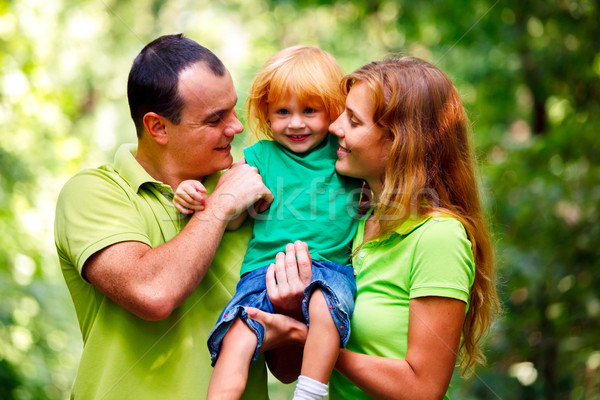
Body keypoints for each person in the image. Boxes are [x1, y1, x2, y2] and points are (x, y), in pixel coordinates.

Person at [248, 56, 500, 399]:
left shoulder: (438, 237)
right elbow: (288, 370)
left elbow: (423, 388)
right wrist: (293, 311)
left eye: (352, 120)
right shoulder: (356, 224)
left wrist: (319, 345)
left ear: (398, 140)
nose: (335, 127)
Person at [53, 34, 275, 399]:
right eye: (215, 119)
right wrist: (220, 205)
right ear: (157, 127)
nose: (236, 128)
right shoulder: (92, 192)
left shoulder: (252, 191)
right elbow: (152, 293)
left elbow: (288, 367)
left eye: (233, 110)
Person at [173, 45, 363, 400]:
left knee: (325, 309)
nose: (295, 123)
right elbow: (230, 218)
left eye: (310, 110)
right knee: (237, 338)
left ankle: (310, 391)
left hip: (330, 270)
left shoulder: (345, 153)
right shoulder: (258, 157)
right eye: (282, 111)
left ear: (333, 110)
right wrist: (189, 192)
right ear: (266, 112)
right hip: (261, 271)